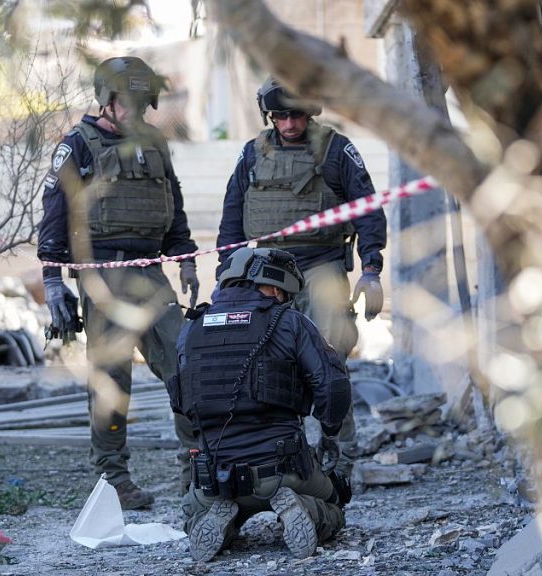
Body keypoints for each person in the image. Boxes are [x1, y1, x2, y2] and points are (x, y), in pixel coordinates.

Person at [37, 56, 199, 509]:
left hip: (151, 274)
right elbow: (53, 216)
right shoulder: (78, 146)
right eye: (126, 103)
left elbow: (174, 206)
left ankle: (196, 468)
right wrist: (54, 284)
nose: (135, 112)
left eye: (141, 103)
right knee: (111, 382)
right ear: (106, 101)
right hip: (103, 277)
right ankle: (114, 480)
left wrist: (185, 260)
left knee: (185, 367)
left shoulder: (155, 145)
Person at [216, 77, 387, 475]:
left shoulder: (336, 149)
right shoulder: (252, 154)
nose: (289, 124)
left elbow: (367, 209)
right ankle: (281, 452)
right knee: (266, 365)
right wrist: (227, 276)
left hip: (320, 264)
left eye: (295, 115)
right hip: (267, 272)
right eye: (280, 116)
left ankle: (339, 453)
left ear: (309, 113)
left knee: (330, 358)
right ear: (269, 116)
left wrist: (372, 270)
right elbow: (232, 216)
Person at [170, 247, 353, 562]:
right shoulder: (290, 322)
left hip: (214, 476)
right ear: (271, 286)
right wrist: (330, 434)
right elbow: (333, 386)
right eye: (282, 293)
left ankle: (222, 520)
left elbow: (180, 403)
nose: (282, 299)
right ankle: (304, 510)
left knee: (192, 514)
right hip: (284, 471)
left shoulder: (191, 328)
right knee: (335, 505)